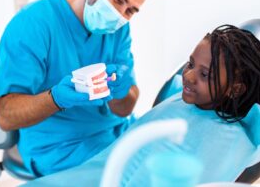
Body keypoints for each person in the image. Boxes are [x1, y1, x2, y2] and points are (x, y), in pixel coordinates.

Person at [26, 25, 260, 186]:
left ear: (235, 89)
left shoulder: (226, 140)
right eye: (190, 64)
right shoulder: (184, 100)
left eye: (205, 74)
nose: (187, 76)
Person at [0, 0, 154, 176]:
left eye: (130, 11)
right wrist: (56, 98)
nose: (120, 14)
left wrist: (122, 90)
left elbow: (124, 108)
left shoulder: (119, 30)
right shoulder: (33, 24)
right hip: (59, 146)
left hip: (114, 132)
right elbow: (6, 117)